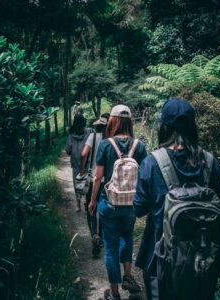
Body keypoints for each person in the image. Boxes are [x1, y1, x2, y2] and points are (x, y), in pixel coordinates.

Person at [134, 98, 220, 300]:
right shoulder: (210, 163)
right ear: (192, 127)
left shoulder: (152, 163)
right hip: (203, 261)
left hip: (161, 262)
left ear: (163, 127)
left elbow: (139, 209)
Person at [89, 105, 147, 300]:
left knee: (111, 248)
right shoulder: (139, 145)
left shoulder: (106, 145)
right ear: (130, 122)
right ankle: (128, 276)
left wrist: (92, 200)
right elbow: (145, 176)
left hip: (109, 203)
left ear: (112, 121)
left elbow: (97, 177)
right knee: (127, 238)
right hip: (131, 204)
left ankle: (114, 293)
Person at [80, 113, 110, 257]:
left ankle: (94, 234)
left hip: (93, 179)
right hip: (107, 182)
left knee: (90, 207)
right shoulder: (111, 140)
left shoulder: (92, 137)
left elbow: (84, 153)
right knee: (103, 209)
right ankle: (102, 238)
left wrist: (82, 168)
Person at [66, 114, 93, 212]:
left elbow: (68, 150)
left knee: (77, 184)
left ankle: (78, 205)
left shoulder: (71, 135)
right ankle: (87, 202)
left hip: (76, 163)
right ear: (84, 123)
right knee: (88, 183)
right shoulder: (90, 132)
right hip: (88, 163)